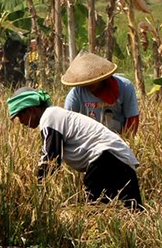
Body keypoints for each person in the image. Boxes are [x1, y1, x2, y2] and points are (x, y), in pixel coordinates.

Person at [8, 87, 143, 210]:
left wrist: (35, 188)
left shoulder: (49, 117)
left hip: (106, 157)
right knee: (133, 211)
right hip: (122, 159)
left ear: (31, 110)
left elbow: (51, 159)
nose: (20, 121)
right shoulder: (56, 115)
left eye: (20, 116)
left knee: (93, 208)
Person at [62, 52, 139, 136]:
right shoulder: (76, 93)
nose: (89, 85)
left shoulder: (125, 86)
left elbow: (132, 119)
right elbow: (68, 122)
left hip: (118, 137)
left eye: (93, 82)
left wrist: (126, 141)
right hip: (91, 140)